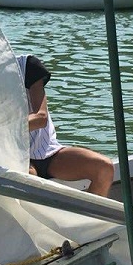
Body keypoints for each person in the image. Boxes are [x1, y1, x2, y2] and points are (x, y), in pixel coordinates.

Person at [17, 54, 113, 197]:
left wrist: (4, 128)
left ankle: (85, 212)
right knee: (30, 177)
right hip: (14, 154)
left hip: (48, 152)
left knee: (104, 168)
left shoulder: (27, 65)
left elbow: (40, 118)